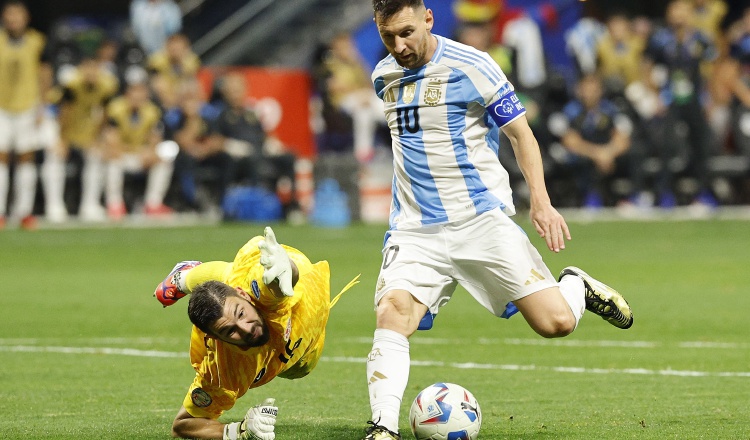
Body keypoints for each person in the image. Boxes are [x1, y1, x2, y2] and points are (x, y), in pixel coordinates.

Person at [363, 2, 634, 439]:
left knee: (556, 324)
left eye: (407, 32)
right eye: (388, 36)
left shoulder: (474, 66)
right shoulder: (383, 77)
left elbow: (520, 135)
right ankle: (382, 428)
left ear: (429, 19)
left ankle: (575, 287)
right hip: (415, 230)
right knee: (392, 314)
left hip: (480, 222)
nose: (399, 46)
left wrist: (541, 203)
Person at [154, 227, 355, 440]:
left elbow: (274, 283)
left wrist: (287, 267)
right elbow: (183, 426)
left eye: (242, 314)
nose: (246, 328)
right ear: (217, 339)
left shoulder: (258, 289)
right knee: (302, 368)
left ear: (244, 297)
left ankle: (184, 277)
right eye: (230, 331)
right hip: (298, 346)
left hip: (294, 279)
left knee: (231, 276)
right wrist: (236, 432)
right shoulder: (224, 368)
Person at [552, 73, 643, 208]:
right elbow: (570, 141)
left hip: (608, 153)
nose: (590, 94)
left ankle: (634, 196)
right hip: (584, 155)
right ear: (579, 90)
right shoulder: (570, 112)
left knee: (636, 152)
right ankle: (588, 196)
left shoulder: (610, 110)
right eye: (586, 89)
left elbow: (622, 138)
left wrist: (608, 153)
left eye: (593, 90)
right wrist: (598, 155)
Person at [0, 0, 52, 229]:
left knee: (26, 158)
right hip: (1, 106)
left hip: (28, 106)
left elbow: (45, 73)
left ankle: (24, 212)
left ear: (26, 18)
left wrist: (43, 105)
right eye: (9, 15)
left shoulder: (37, 41)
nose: (13, 20)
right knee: (1, 158)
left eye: (17, 15)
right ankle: (1, 212)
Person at [48, 56, 120, 221]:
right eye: (87, 69)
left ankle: (90, 205)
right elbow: (63, 114)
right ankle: (54, 205)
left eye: (94, 69)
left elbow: (104, 114)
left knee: (96, 156)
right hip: (62, 126)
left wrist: (98, 138)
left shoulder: (106, 86)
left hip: (87, 129)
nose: (91, 73)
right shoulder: (71, 85)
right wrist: (62, 139)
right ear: (81, 69)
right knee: (55, 157)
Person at [102, 79, 174, 219]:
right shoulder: (115, 108)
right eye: (134, 91)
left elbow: (155, 140)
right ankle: (115, 205)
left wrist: (150, 152)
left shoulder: (152, 111)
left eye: (140, 91)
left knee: (164, 160)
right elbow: (113, 142)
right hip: (122, 155)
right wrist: (134, 150)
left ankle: (153, 204)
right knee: (112, 161)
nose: (137, 95)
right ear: (127, 93)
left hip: (140, 155)